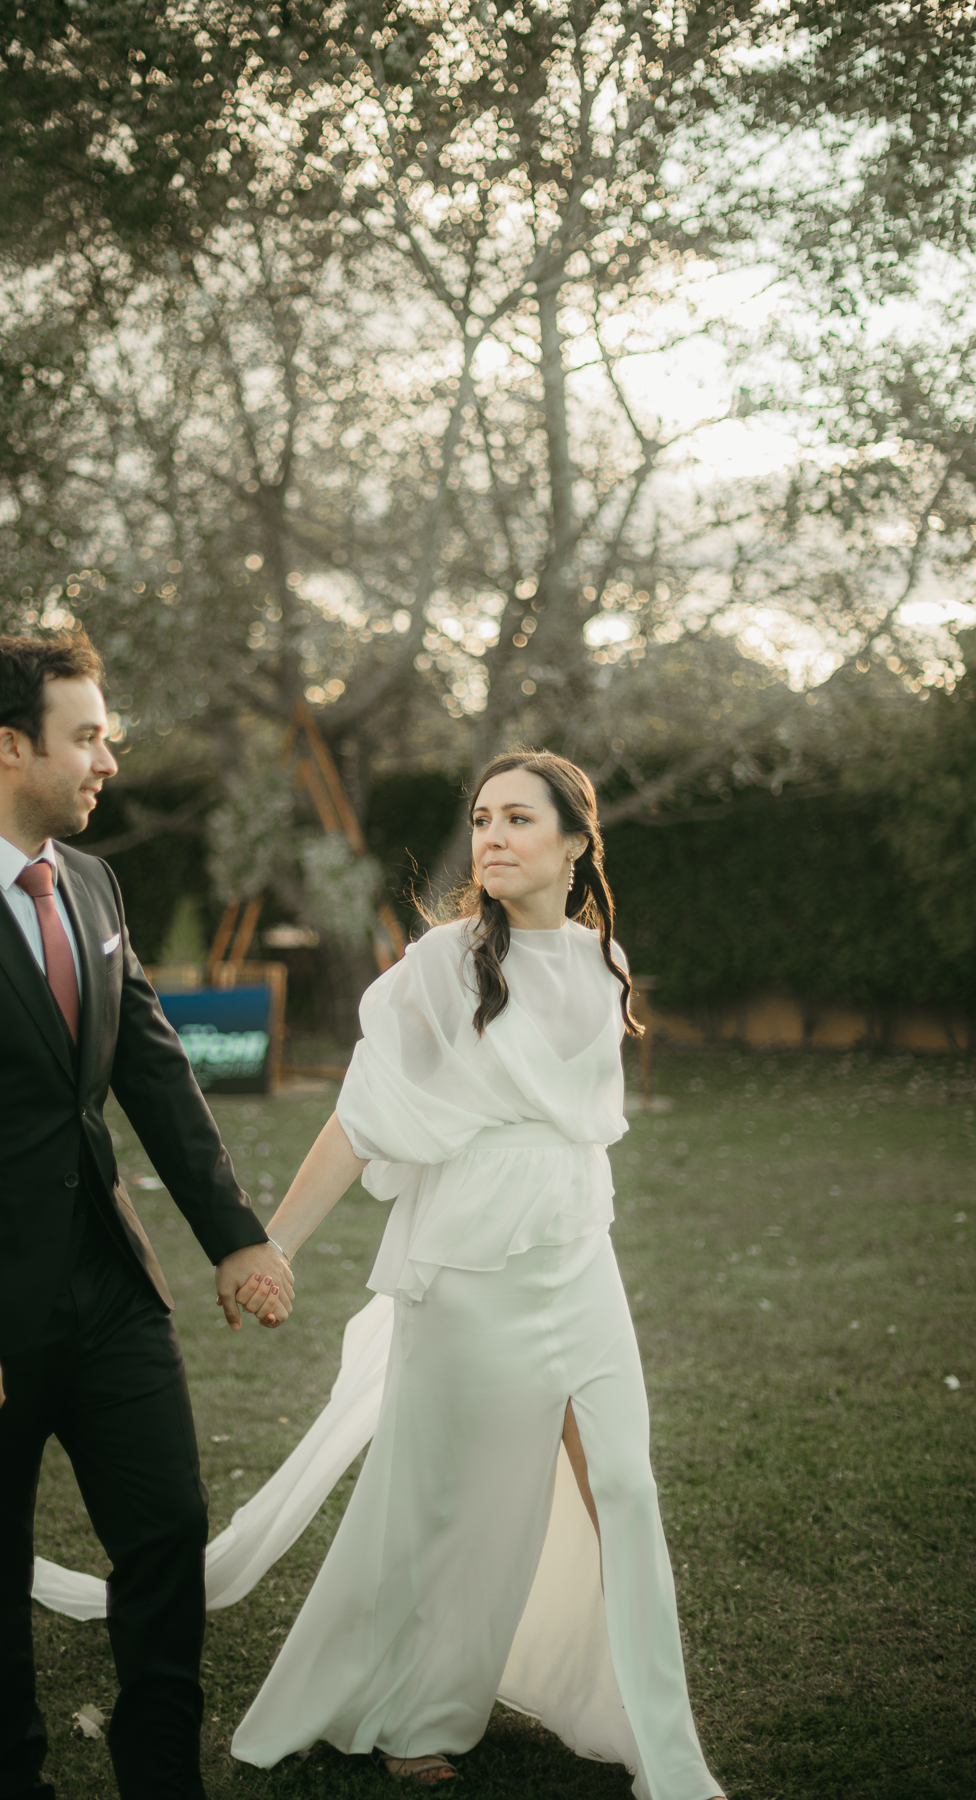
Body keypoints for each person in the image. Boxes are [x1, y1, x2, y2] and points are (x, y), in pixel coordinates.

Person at [0, 632, 292, 1800]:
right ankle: (12, 1785)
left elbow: (152, 1068)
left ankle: (159, 1781)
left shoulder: (91, 884)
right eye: (88, 737)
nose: (107, 763)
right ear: (8, 745)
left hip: (108, 1286)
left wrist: (236, 1232)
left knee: (166, 1529)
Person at [230, 750, 725, 1797]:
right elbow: (361, 1120)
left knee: (624, 1484)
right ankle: (417, 1711)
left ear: (576, 842)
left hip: (576, 1257)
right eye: (480, 818)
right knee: (456, 1503)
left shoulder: (603, 959)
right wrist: (275, 1243)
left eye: (517, 819)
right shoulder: (442, 962)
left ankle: (650, 1728)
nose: (490, 837)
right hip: (466, 1269)